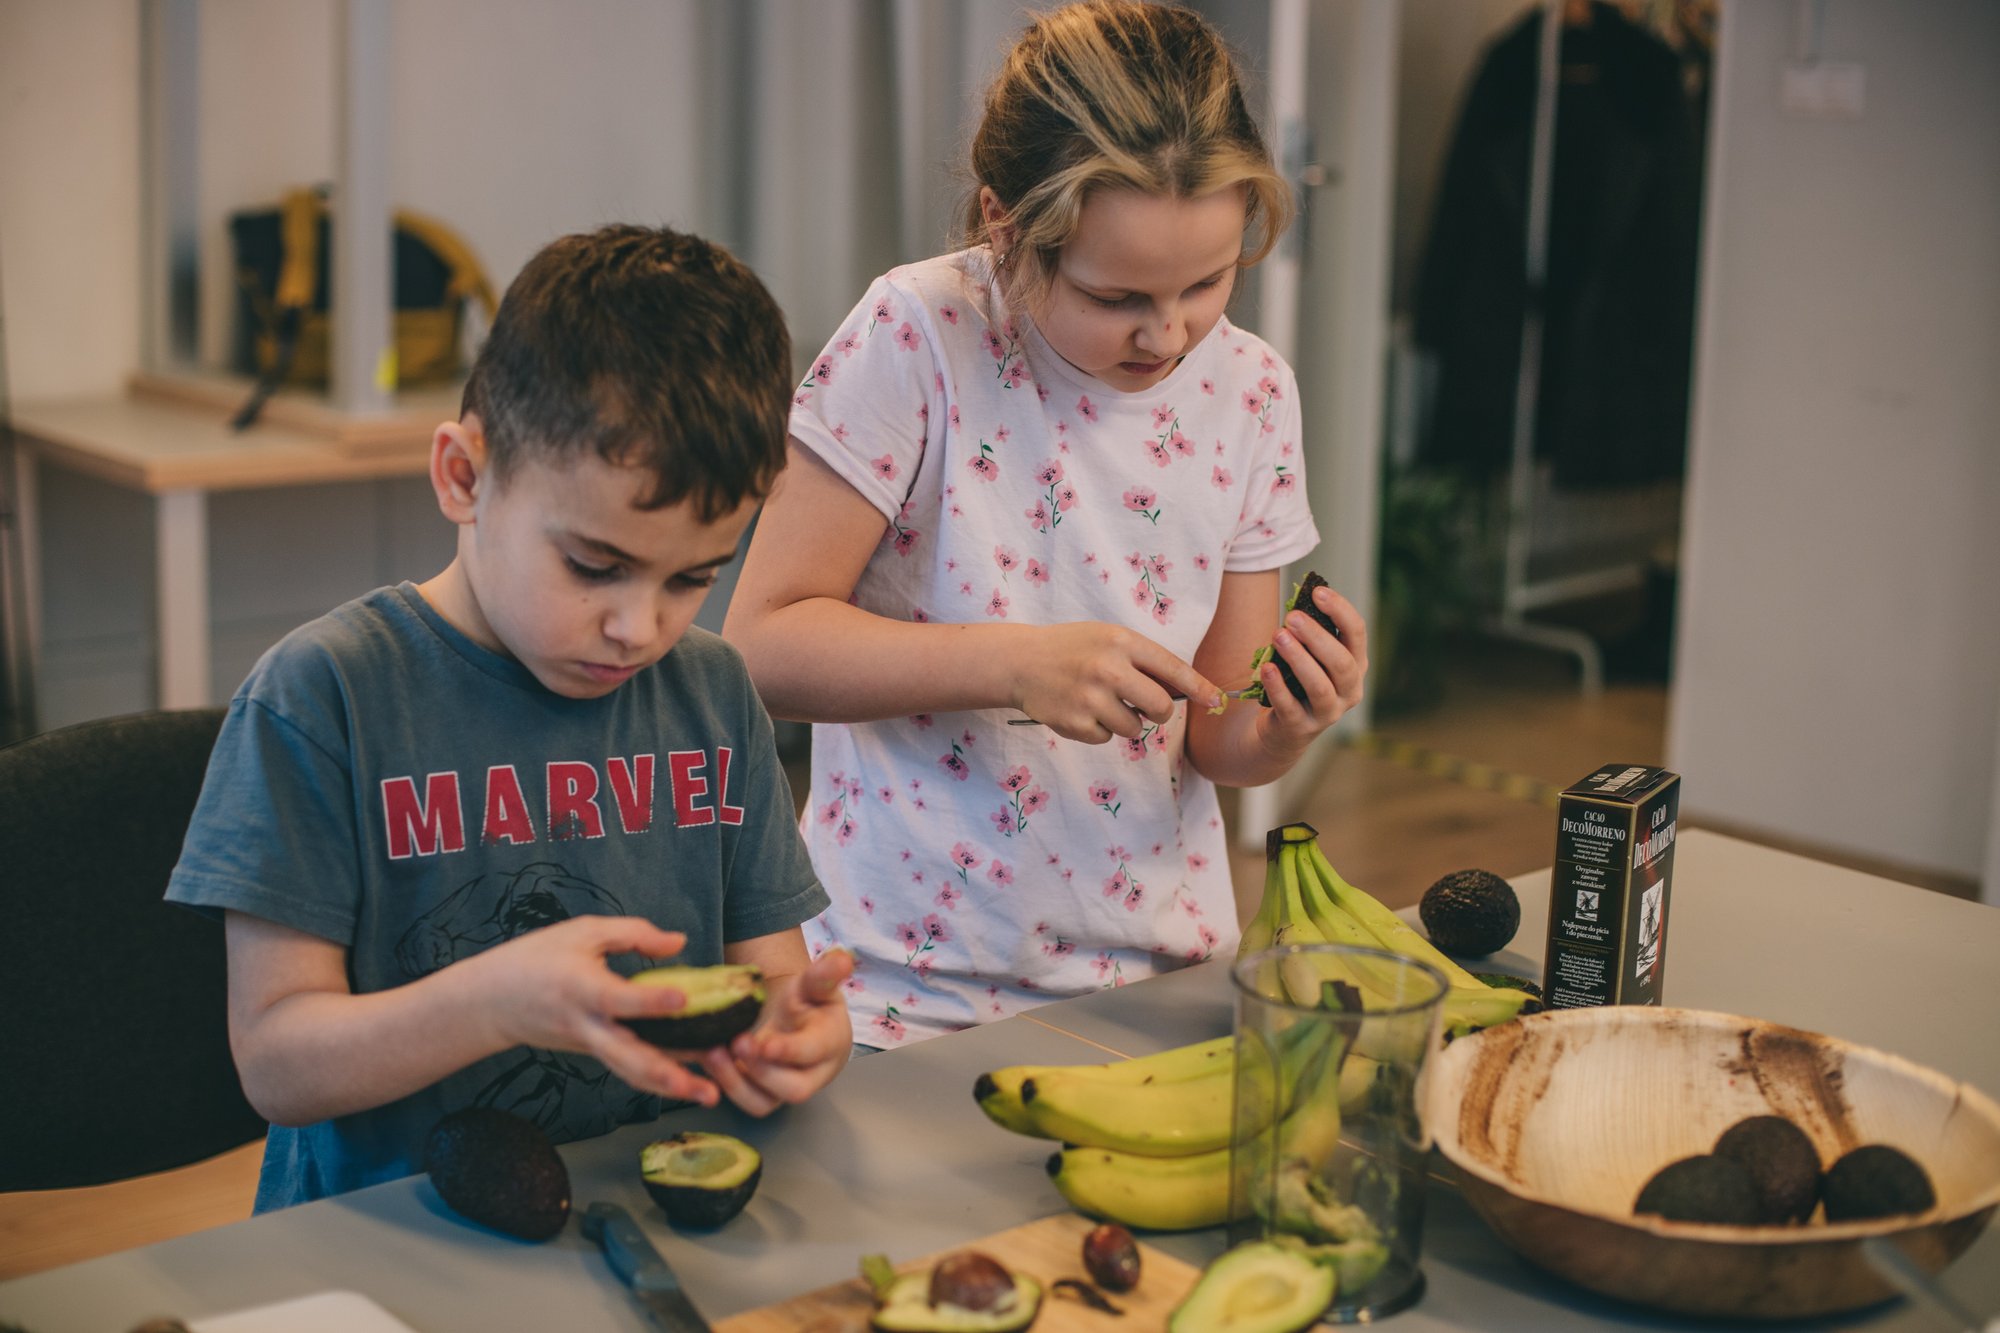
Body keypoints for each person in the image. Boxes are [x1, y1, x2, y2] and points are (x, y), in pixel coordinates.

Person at [167, 224, 854, 1210]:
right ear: (464, 477)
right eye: (593, 565)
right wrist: (492, 1002)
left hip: (646, 1210)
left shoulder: (710, 693)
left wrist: (800, 1035)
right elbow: (278, 1064)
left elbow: (772, 981)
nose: (638, 628)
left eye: (692, 578)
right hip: (388, 1232)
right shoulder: (322, 699)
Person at [724, 0, 1367, 1049]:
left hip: (1159, 984)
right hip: (901, 990)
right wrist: (1018, 665)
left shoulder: (1253, 390)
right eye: (1116, 297)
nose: (1168, 333)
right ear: (1004, 224)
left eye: (1208, 282)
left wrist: (1288, 721)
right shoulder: (916, 336)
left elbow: (1219, 734)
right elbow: (758, 648)